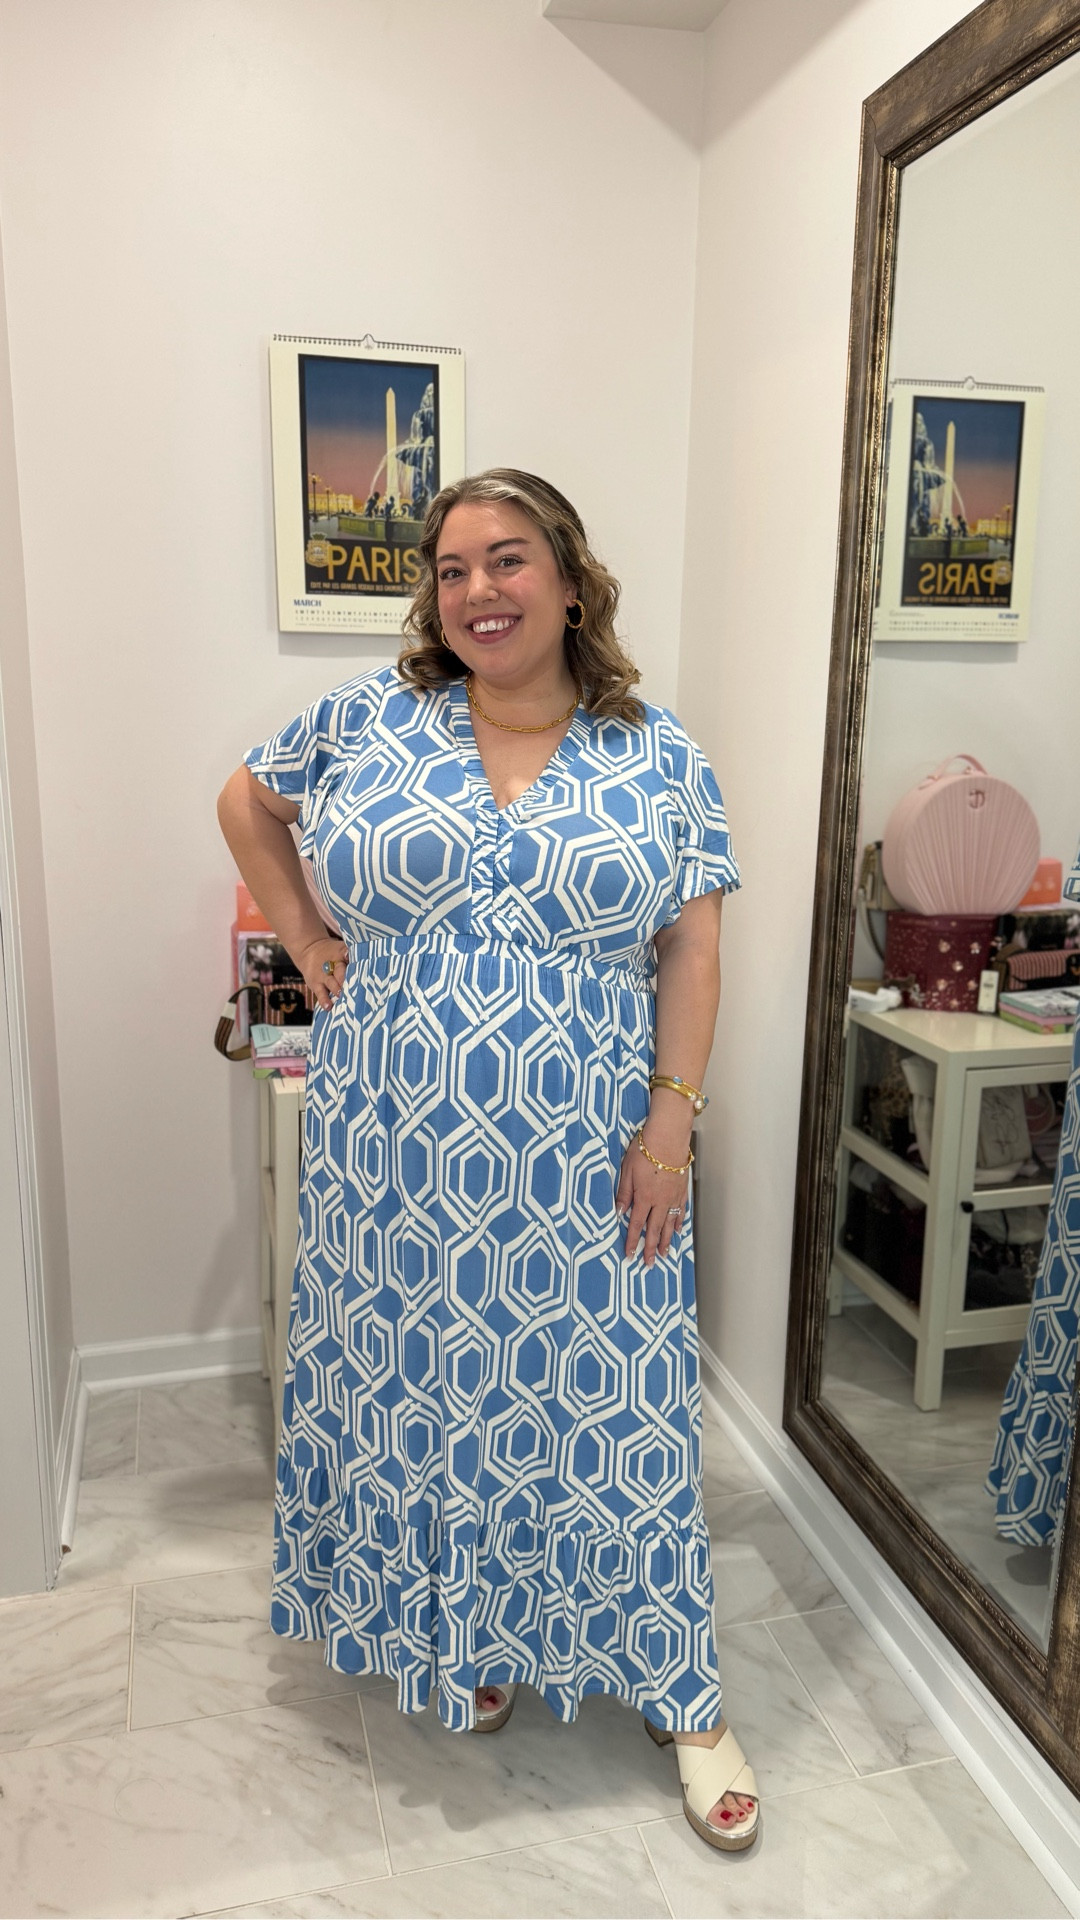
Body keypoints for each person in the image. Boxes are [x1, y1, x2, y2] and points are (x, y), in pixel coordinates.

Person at [217, 468, 759, 1853]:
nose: (477, 594)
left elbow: (693, 948)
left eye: (507, 562)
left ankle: (682, 1695)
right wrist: (311, 943)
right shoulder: (370, 717)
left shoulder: (658, 753)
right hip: (388, 1144)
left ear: (572, 580)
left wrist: (673, 1117)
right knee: (433, 1395)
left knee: (615, 1410)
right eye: (451, 571)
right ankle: (482, 1635)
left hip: (590, 1149)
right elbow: (244, 802)